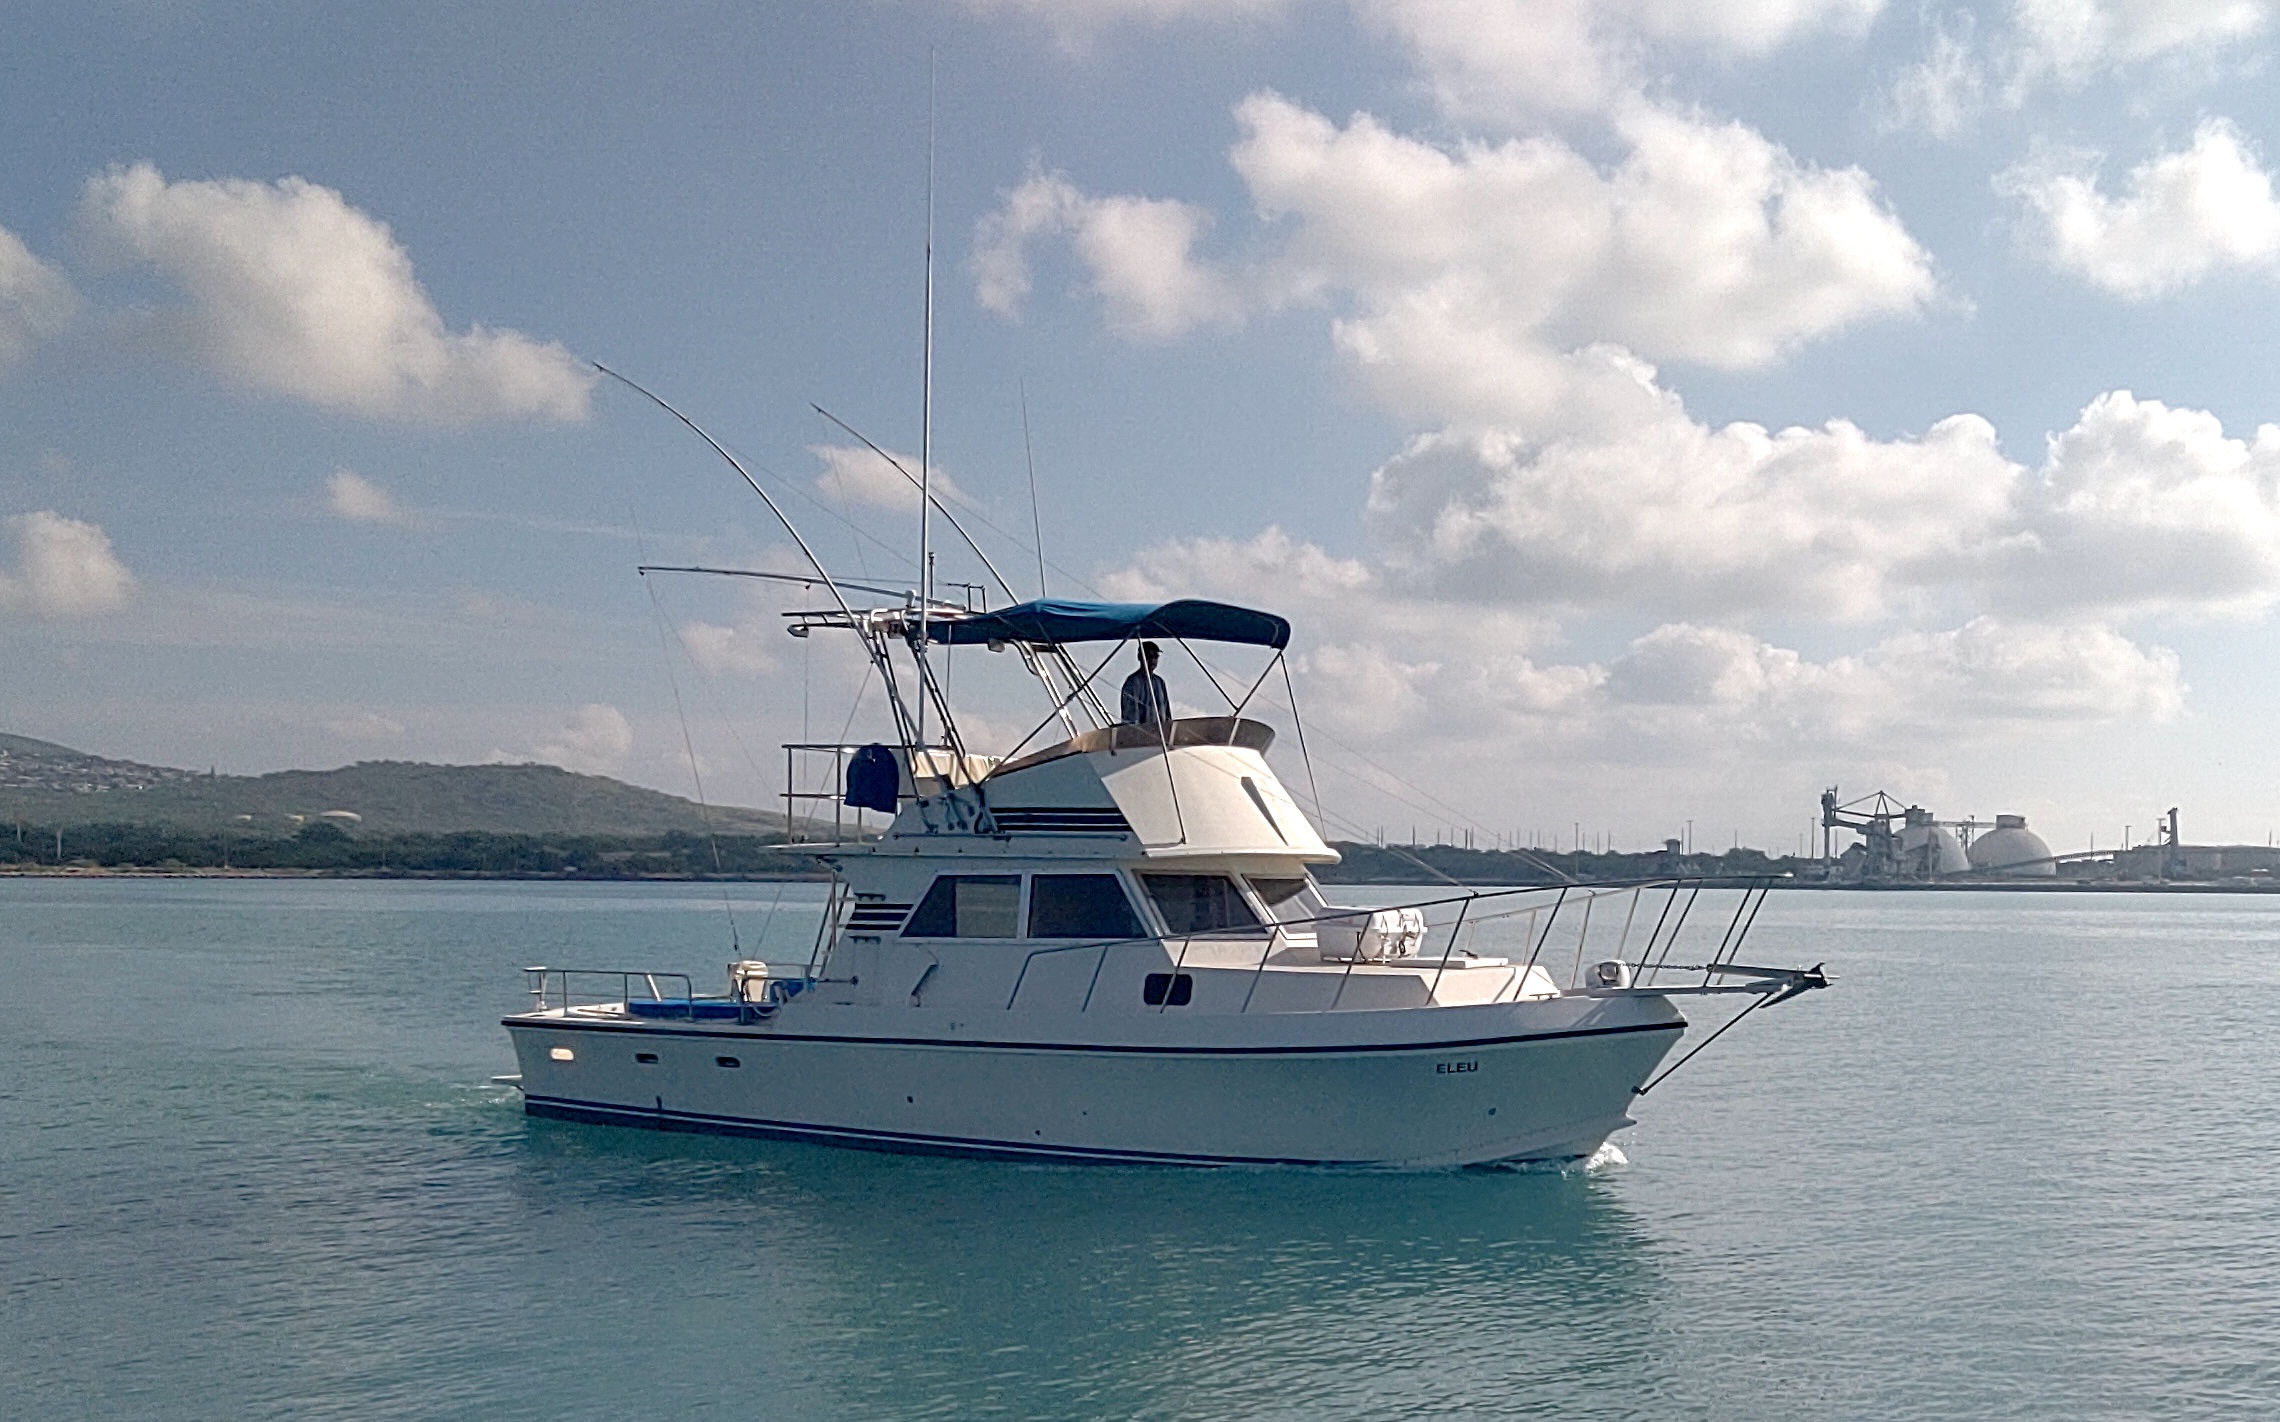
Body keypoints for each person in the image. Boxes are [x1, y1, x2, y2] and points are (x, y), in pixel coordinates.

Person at [1120, 640, 1171, 729]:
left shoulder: (1160, 682)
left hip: (1160, 735)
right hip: (1141, 737)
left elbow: (1167, 714)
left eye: (1155, 656)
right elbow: (1130, 717)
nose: (1153, 660)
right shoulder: (1132, 682)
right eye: (1149, 656)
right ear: (1140, 658)